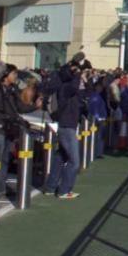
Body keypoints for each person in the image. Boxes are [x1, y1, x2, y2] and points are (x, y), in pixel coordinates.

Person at [0, 63, 40, 199]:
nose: (16, 76)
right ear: (5, 75)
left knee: (4, 160)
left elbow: (19, 107)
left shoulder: (12, 90)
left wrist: (34, 107)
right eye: (14, 74)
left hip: (8, 130)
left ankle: (0, 189)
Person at [43, 57, 91, 199]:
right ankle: (64, 190)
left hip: (69, 124)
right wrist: (77, 73)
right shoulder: (65, 87)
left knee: (60, 156)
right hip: (67, 125)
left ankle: (51, 187)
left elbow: (87, 93)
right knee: (74, 162)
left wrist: (85, 79)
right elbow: (74, 86)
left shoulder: (72, 88)